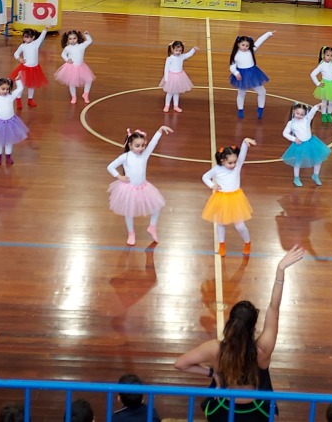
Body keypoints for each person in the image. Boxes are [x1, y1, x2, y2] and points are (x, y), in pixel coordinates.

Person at [173, 246, 306, 422]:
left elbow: (180, 364)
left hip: (222, 410)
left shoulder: (214, 349)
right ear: (253, 328)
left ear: (231, 322)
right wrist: (280, 269)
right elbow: (274, 308)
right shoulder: (262, 350)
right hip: (258, 412)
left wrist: (212, 372)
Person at [106, 126, 172, 245]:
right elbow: (110, 167)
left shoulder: (144, 155)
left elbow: (153, 144)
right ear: (130, 145)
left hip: (143, 187)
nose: (141, 148)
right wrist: (119, 176)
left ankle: (152, 226)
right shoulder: (125, 157)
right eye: (137, 146)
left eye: (142, 145)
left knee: (157, 206)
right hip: (129, 189)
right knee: (129, 212)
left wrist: (160, 131)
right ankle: (131, 233)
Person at [202, 139, 256, 256]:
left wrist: (245, 142)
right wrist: (212, 185)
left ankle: (247, 242)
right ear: (222, 161)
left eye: (235, 162)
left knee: (240, 226)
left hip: (236, 199)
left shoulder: (237, 166)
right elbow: (205, 177)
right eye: (230, 163)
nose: (233, 165)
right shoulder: (217, 169)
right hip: (221, 199)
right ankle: (222, 245)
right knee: (221, 223)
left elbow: (242, 155)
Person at [281, 102, 330, 187]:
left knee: (318, 160)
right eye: (297, 113)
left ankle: (315, 175)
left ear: (304, 114)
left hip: (311, 143)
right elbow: (285, 133)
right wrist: (294, 139)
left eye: (302, 114)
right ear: (294, 111)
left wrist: (317, 106)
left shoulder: (307, 119)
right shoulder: (291, 123)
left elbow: (312, 112)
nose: (299, 116)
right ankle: (296, 178)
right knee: (298, 162)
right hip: (300, 144)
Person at [229, 31, 274, 119]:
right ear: (238, 44)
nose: (245, 47)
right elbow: (232, 67)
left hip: (253, 74)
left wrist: (269, 33)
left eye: (247, 46)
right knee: (241, 94)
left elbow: (260, 40)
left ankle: (260, 109)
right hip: (242, 76)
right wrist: (236, 73)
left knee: (262, 92)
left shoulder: (251, 51)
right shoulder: (236, 55)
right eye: (243, 45)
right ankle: (240, 110)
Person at [10, 27, 49, 109]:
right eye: (24, 37)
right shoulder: (22, 46)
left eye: (28, 37)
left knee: (32, 85)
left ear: (33, 37)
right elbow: (16, 53)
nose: (26, 39)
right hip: (24, 69)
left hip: (34, 69)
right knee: (21, 86)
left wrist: (45, 30)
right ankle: (18, 100)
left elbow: (41, 37)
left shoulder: (36, 44)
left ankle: (30, 99)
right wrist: (19, 59)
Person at [55, 29, 95, 105]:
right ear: (67, 40)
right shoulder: (67, 48)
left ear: (77, 38)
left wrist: (87, 35)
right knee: (72, 83)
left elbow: (89, 41)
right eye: (70, 39)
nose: (72, 40)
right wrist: (67, 59)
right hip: (71, 67)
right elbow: (63, 54)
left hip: (81, 67)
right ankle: (74, 96)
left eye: (74, 38)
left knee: (89, 79)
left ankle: (85, 94)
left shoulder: (81, 46)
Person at [311, 44, 332, 123]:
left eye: (331, 55)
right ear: (323, 55)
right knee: (324, 101)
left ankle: (329, 114)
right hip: (325, 85)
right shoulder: (321, 65)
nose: (329, 57)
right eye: (327, 55)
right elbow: (312, 74)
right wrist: (317, 83)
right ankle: (323, 114)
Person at [160, 40, 198, 113]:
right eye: (176, 50)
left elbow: (188, 54)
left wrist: (193, 49)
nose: (178, 52)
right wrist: (166, 79)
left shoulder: (181, 56)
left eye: (180, 50)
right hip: (171, 78)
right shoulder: (169, 59)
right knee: (170, 93)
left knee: (176, 92)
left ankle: (176, 106)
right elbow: (166, 69)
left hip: (179, 77)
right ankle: (167, 105)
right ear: (172, 49)